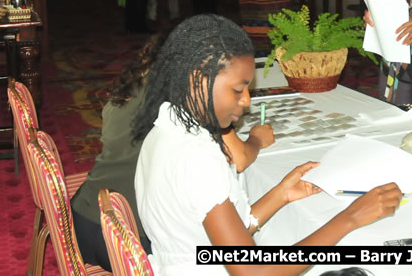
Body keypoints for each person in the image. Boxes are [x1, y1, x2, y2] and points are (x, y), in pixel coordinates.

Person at [131, 15, 402, 275]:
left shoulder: (166, 128)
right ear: (197, 78)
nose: (247, 100)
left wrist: (280, 194)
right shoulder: (198, 158)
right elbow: (253, 271)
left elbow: (222, 237)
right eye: (238, 89)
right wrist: (350, 218)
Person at [71, 30, 274, 272]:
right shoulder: (189, 103)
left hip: (84, 216)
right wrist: (256, 139)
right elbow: (239, 158)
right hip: (127, 240)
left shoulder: (133, 87)